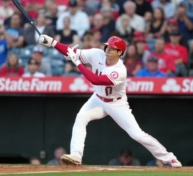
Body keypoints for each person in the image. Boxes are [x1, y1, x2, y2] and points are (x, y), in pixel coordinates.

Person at [38, 34, 182, 167]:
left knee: (137, 134)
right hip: (98, 99)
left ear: (120, 53)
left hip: (116, 103)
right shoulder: (97, 54)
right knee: (80, 117)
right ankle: (76, 155)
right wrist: (52, 42)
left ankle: (169, 158)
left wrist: (79, 64)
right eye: (107, 46)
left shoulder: (120, 70)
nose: (108, 49)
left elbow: (96, 80)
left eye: (113, 48)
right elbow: (72, 52)